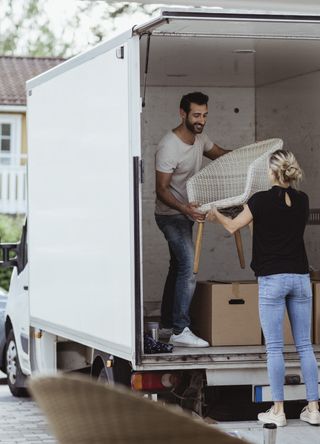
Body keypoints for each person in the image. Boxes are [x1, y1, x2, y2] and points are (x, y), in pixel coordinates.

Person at [206, 149, 320, 426]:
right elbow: (276, 229)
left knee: (275, 349)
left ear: (271, 172)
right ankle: (314, 409)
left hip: (273, 279)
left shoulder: (259, 200)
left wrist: (215, 215)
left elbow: (233, 226)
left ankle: (278, 411)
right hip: (300, 278)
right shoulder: (303, 200)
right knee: (305, 345)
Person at [155, 91, 229, 347]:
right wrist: (186, 209)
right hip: (169, 215)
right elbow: (161, 190)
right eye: (196, 115)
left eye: (205, 115)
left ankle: (167, 325)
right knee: (189, 266)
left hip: (186, 213)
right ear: (182, 113)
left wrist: (248, 156)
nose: (201, 120)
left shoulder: (200, 138)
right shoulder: (169, 146)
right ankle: (180, 329)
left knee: (177, 267)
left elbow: (219, 153)